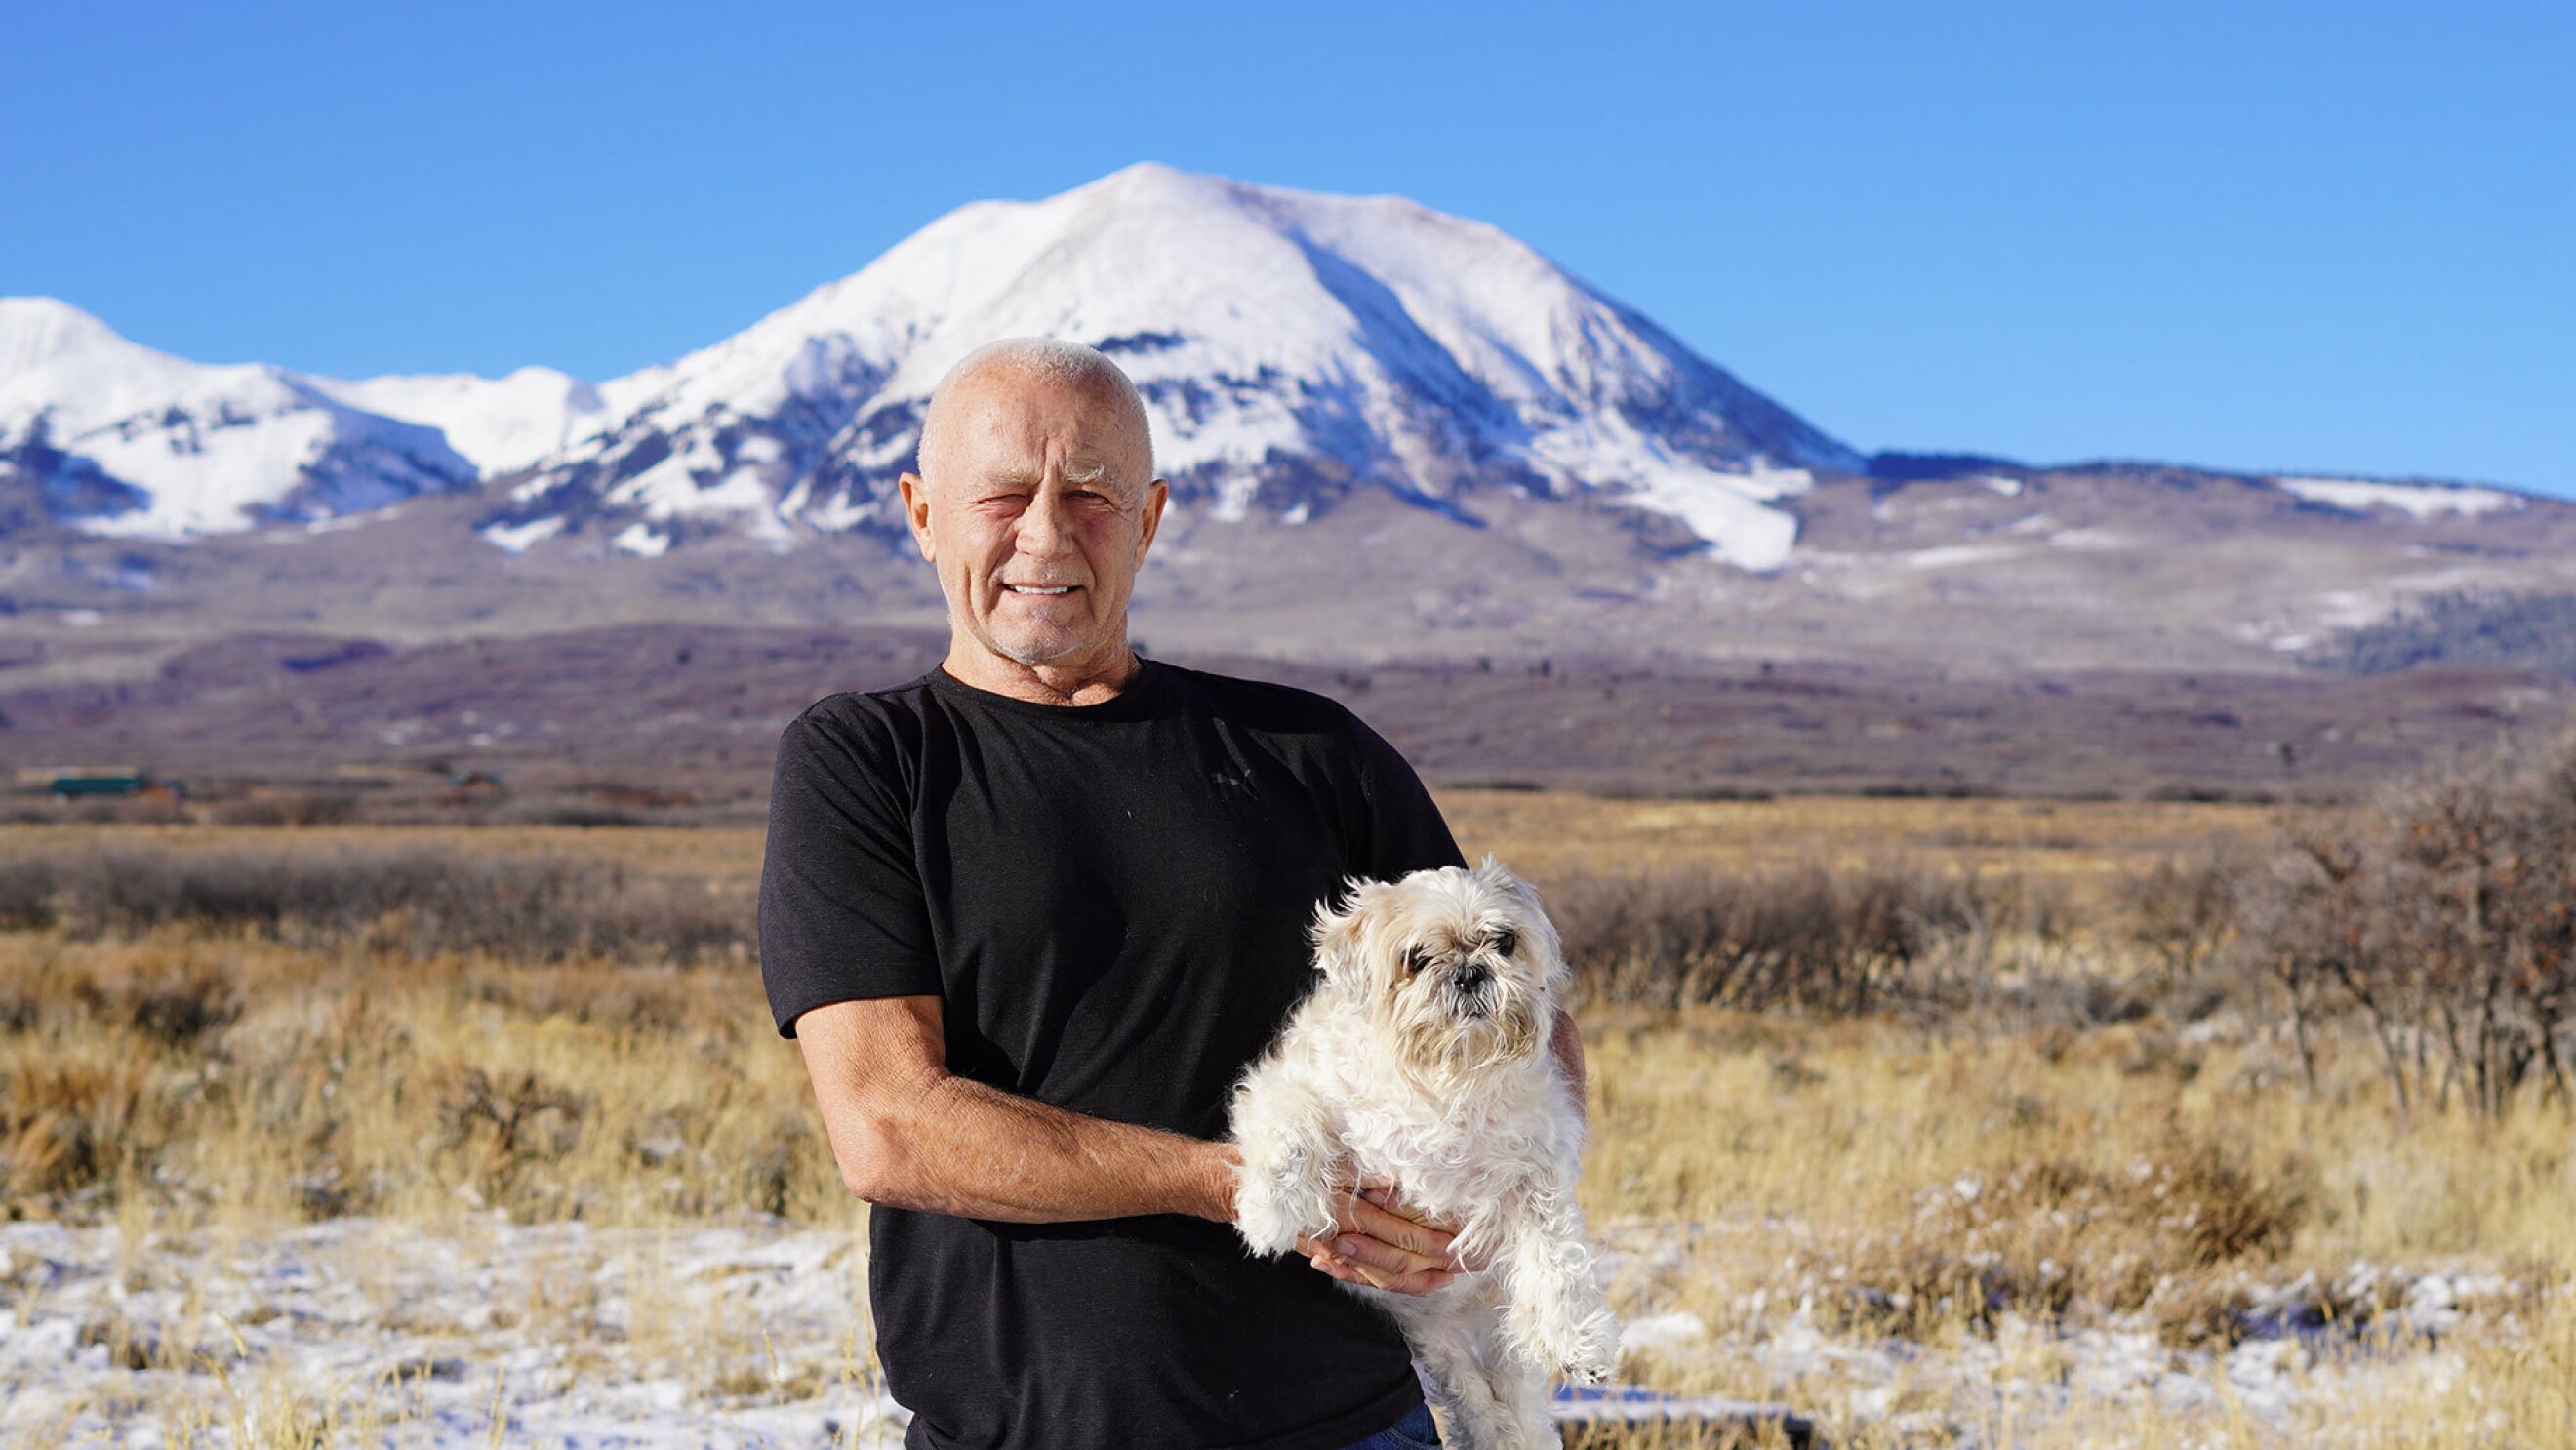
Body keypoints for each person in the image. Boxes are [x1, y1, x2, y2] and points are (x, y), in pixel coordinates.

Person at [757, 338, 1586, 1450]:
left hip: (1350, 1428)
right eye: (1003, 493)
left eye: (1091, 495)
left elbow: (1532, 1012)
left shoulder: (1310, 753)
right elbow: (888, 1128)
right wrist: (1237, 1181)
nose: (1045, 533)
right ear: (921, 513)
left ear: (1148, 518)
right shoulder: (871, 763)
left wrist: (1486, 1212)